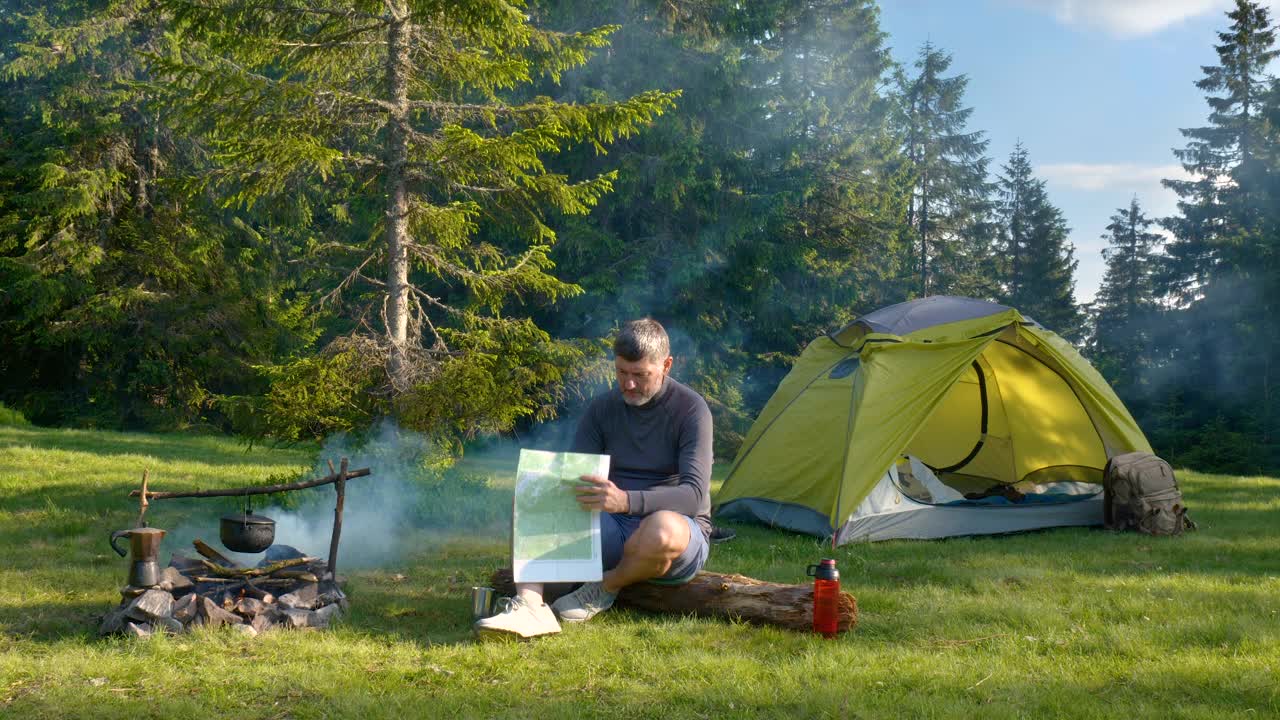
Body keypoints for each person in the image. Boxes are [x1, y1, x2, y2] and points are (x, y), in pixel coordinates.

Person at [475, 318, 714, 639]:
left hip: (675, 535)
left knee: (662, 528)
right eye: (621, 373)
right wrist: (547, 489)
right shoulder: (602, 408)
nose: (628, 385)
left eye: (640, 375)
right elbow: (575, 475)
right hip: (612, 527)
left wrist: (626, 500)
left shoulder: (692, 410)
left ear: (666, 365)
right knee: (531, 492)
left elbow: (693, 496)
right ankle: (530, 606)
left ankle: (604, 587)